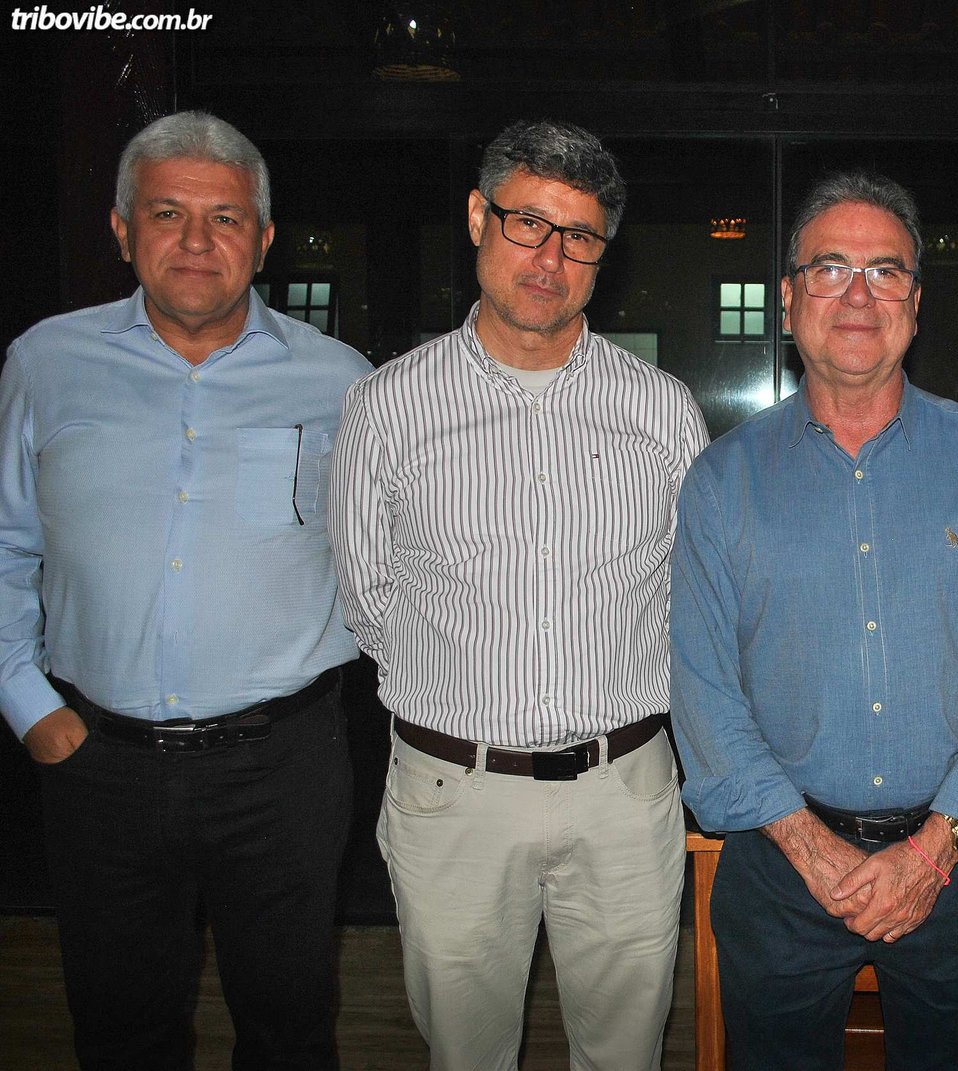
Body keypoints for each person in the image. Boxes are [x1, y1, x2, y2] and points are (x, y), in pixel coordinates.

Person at [328, 119, 707, 1071]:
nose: (550, 258)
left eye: (579, 237)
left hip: (625, 793)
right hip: (453, 793)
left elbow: (689, 594)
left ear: (604, 256)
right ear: (477, 217)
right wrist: (468, 689)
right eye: (528, 223)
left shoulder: (662, 410)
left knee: (625, 1054)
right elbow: (367, 595)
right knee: (466, 1055)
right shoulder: (387, 405)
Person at [0, 111, 368, 1069]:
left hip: (284, 765)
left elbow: (391, 554)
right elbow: (5, 545)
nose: (197, 240)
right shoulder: (44, 363)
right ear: (122, 230)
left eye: (226, 218)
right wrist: (29, 706)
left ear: (265, 239)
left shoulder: (342, 381)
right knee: (120, 1031)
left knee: (290, 1031)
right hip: (99, 763)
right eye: (168, 213)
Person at [670, 171, 958, 1071]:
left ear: (915, 305)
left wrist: (929, 854)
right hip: (780, 868)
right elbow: (704, 692)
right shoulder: (721, 480)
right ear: (789, 298)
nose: (857, 295)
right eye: (830, 268)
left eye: (885, 271)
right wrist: (810, 849)